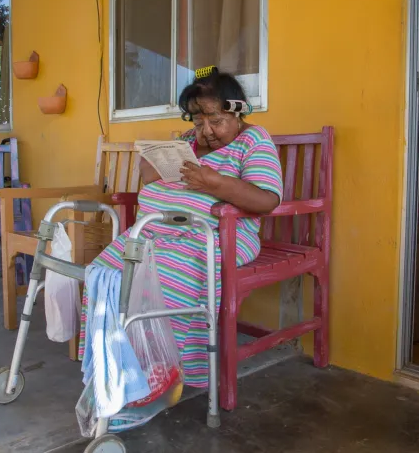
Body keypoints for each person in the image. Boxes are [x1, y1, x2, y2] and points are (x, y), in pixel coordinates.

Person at [78, 69, 283, 393]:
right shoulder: (187, 142)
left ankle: (159, 369)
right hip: (157, 232)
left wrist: (216, 183)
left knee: (167, 276)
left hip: (219, 235)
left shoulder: (254, 140)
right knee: (103, 273)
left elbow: (267, 199)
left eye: (214, 120)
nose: (206, 131)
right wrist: (151, 166)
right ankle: (115, 360)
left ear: (237, 110)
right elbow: (158, 176)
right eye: (198, 122)